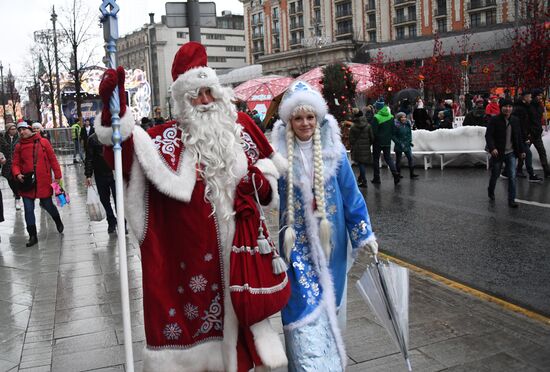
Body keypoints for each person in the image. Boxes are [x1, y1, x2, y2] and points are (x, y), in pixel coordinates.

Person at [95, 42, 287, 371]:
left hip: (239, 258)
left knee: (239, 344)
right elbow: (123, 156)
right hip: (189, 267)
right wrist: (115, 110)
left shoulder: (239, 129)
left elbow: (270, 176)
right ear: (183, 101)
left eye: (209, 91)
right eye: (195, 94)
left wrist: (258, 182)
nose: (204, 101)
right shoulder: (164, 138)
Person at [271, 80, 378, 371]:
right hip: (295, 250)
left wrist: (364, 234)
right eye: (298, 117)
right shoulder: (277, 159)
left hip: (332, 248)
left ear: (318, 119)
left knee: (331, 309)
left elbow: (352, 198)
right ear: (289, 121)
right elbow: (264, 195)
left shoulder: (336, 155)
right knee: (299, 312)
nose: (305, 123)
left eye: (310, 117)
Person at [11, 122, 64, 246]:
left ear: (30, 129)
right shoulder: (18, 146)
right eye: (19, 131)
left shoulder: (43, 142)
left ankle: (57, 220)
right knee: (29, 210)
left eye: (23, 129)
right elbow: (15, 164)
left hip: (43, 182)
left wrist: (58, 176)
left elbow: (53, 159)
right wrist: (17, 174)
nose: (22, 132)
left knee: (48, 205)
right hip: (27, 183)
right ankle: (33, 236)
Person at [486, 99, 526, 208]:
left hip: (511, 152)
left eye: (510, 106)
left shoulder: (515, 120)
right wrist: (492, 148)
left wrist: (522, 150)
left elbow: (518, 136)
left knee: (512, 176)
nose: (508, 109)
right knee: (495, 174)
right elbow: (488, 136)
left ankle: (511, 200)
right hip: (498, 153)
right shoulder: (494, 120)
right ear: (501, 107)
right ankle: (491, 190)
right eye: (505, 106)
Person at [84, 132, 120, 233]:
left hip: (115, 173)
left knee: (119, 199)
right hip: (100, 173)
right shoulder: (93, 139)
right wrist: (88, 175)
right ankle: (111, 220)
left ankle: (122, 222)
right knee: (104, 200)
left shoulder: (116, 134)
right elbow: (89, 158)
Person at [511, 91, 542, 182]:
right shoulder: (521, 109)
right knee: (527, 154)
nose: (531, 99)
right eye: (529, 97)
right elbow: (521, 125)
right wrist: (525, 137)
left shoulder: (524, 107)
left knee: (520, 154)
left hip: (522, 135)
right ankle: (531, 175)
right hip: (519, 136)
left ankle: (506, 172)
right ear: (524, 98)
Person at [371, 99, 400, 184]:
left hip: (377, 142)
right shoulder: (391, 117)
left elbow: (374, 132)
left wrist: (373, 140)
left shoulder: (376, 117)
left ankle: (377, 178)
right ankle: (395, 174)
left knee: (376, 159)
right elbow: (393, 130)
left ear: (377, 108)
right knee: (388, 158)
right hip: (387, 141)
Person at [349, 107, 374, 188]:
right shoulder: (368, 126)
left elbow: (351, 140)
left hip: (357, 147)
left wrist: (354, 145)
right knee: (362, 164)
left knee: (361, 164)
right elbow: (372, 138)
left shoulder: (353, 127)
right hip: (366, 146)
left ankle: (364, 181)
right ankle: (361, 178)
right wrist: (368, 144)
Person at [0, 123, 22, 210]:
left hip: (18, 163)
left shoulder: (20, 138)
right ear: (8, 130)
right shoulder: (3, 138)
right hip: (7, 163)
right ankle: (16, 193)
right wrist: (2, 157)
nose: (13, 130)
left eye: (14, 129)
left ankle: (17, 198)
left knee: (16, 180)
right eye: (11, 129)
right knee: (10, 180)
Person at [529, 89, 550, 178]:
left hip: (537, 133)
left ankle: (547, 171)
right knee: (522, 152)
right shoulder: (529, 106)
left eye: (541, 95)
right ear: (534, 96)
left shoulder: (540, 107)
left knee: (542, 152)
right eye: (538, 95)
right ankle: (515, 169)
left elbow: (539, 120)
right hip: (529, 133)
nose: (540, 97)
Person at [392, 112, 418, 179]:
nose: (404, 118)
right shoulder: (396, 126)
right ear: (399, 118)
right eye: (402, 117)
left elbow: (409, 133)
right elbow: (393, 136)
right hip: (399, 145)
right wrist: (399, 143)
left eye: (404, 117)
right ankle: (398, 174)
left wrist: (410, 141)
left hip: (407, 144)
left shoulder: (407, 125)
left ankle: (412, 174)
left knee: (410, 158)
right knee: (398, 160)